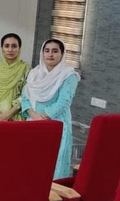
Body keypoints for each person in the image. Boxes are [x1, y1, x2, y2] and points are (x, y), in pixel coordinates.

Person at [21, 39, 80, 179]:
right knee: (32, 162)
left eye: (55, 51)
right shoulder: (34, 74)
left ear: (62, 54)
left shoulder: (68, 75)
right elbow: (24, 97)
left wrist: (43, 116)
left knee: (54, 163)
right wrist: (33, 115)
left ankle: (54, 197)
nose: (50, 54)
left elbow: (64, 102)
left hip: (56, 124)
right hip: (33, 122)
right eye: (47, 51)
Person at [0, 34, 30, 125]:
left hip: (16, 118)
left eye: (14, 46)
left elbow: (26, 95)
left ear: (19, 48)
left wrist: (8, 115)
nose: (10, 50)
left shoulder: (25, 69)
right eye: (6, 46)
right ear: (2, 48)